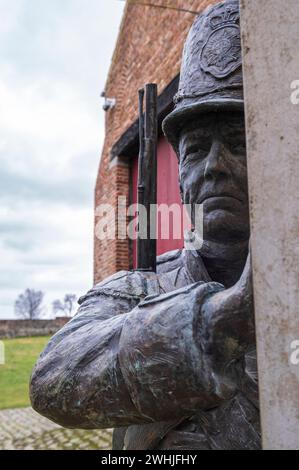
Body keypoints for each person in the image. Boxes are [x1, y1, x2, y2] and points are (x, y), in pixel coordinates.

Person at [30, 0, 260, 450]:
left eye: (239, 142)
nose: (213, 165)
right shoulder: (137, 290)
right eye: (195, 151)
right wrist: (227, 319)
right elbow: (53, 378)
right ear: (181, 178)